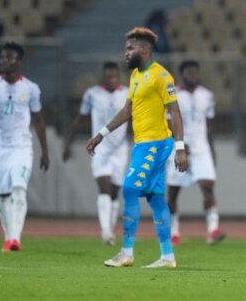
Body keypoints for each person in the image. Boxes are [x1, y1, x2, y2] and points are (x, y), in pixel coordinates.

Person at [86, 28, 188, 269]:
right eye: (126, 48)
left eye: (130, 48)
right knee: (155, 198)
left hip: (156, 143)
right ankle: (167, 256)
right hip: (142, 144)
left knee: (129, 190)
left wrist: (180, 148)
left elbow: (175, 111)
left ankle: (126, 252)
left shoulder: (161, 76)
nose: (126, 53)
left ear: (145, 50)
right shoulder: (134, 76)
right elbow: (127, 111)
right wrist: (101, 134)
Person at [0, 42, 50, 252]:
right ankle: (8, 236)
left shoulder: (30, 88)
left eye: (9, 58)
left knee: (19, 189)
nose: (4, 61)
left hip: (22, 146)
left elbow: (38, 121)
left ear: (19, 62)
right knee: (3, 194)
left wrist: (45, 151)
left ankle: (15, 239)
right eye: (2, 58)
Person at [63, 62, 129, 245]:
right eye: (109, 76)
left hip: (120, 149)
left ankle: (110, 228)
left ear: (119, 77)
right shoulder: (92, 94)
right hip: (99, 148)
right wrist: (68, 144)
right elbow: (80, 119)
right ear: (103, 77)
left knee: (115, 192)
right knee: (104, 187)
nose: (112, 79)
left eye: (115, 76)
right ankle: (106, 231)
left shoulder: (127, 93)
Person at [166, 60, 225, 246]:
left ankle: (213, 230)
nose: (193, 75)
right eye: (189, 72)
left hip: (202, 149)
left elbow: (209, 126)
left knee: (207, 186)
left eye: (195, 72)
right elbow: (168, 122)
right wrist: (180, 144)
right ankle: (173, 232)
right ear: (182, 73)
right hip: (180, 149)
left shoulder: (206, 95)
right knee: (173, 192)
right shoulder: (174, 94)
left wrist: (212, 150)